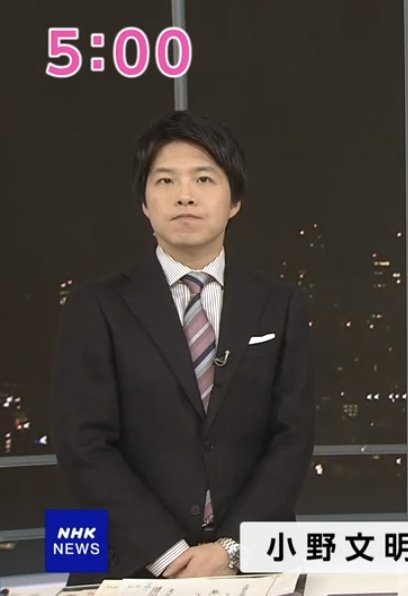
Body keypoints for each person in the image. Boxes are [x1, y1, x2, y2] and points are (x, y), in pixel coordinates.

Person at [51, 111, 316, 582]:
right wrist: (169, 555)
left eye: (204, 179)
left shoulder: (281, 304)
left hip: (251, 563)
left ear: (234, 200)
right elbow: (83, 445)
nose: (185, 195)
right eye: (166, 180)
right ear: (144, 201)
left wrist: (229, 550)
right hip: (128, 563)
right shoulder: (96, 306)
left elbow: (292, 437)